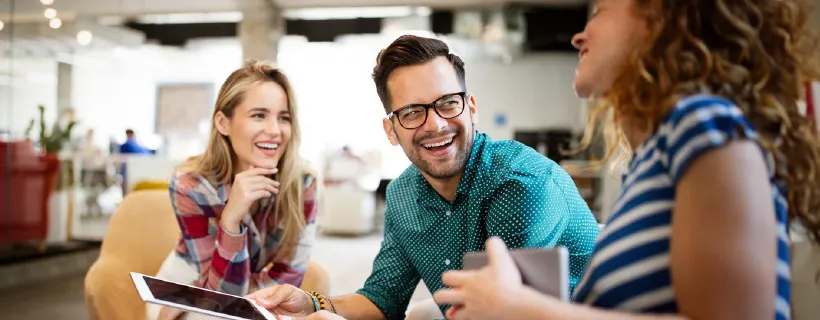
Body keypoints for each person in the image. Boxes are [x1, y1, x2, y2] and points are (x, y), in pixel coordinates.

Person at [431, 0, 820, 319]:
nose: (579, 35)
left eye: (600, 11)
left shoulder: (704, 123)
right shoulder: (652, 161)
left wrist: (520, 306)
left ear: (662, 18)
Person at [245, 35, 601, 320]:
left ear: (471, 107)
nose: (436, 125)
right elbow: (382, 300)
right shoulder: (403, 194)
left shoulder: (520, 184)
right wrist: (311, 303)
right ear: (390, 129)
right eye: (413, 111)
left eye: (447, 103)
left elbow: (504, 313)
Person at [149, 61, 320, 320]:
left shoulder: (303, 182)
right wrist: (231, 220)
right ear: (223, 123)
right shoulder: (191, 185)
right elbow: (219, 292)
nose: (275, 130)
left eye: (283, 118)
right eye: (259, 115)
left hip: (252, 291)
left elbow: (289, 272)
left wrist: (235, 302)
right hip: (190, 279)